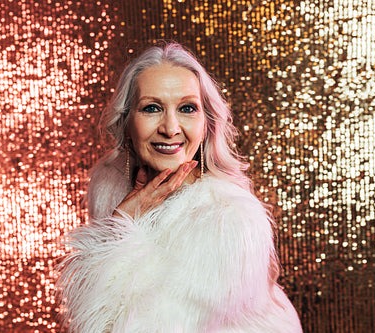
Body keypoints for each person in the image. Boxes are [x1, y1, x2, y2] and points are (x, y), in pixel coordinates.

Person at [56, 42, 303, 332]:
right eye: (152, 108)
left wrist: (120, 228)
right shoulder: (109, 184)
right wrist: (120, 224)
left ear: (206, 124)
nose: (171, 127)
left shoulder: (229, 219)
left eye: (187, 108)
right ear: (126, 123)